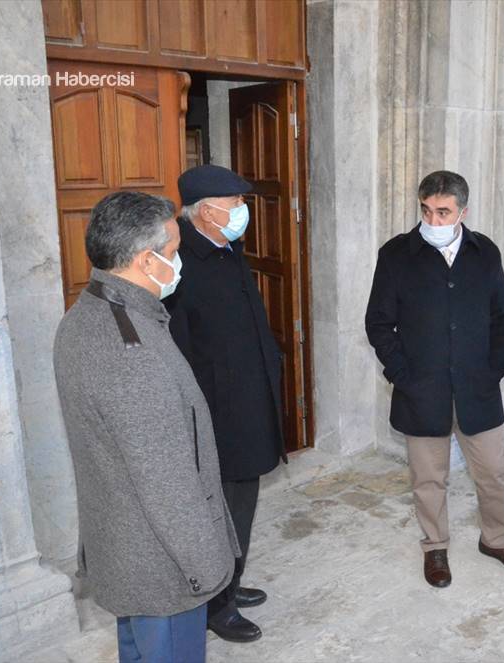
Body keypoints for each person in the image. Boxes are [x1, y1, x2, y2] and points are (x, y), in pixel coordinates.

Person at [54, 191, 239, 663]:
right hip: (162, 566)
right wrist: (203, 569)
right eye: (174, 251)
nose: (179, 262)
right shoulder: (131, 353)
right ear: (145, 260)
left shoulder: (85, 315)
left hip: (124, 550)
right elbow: (165, 483)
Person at [365, 170, 504, 588]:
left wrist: (498, 366)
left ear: (463, 212)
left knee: (493, 473)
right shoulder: (396, 255)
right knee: (428, 479)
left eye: (443, 212)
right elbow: (379, 323)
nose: (433, 221)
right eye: (426, 210)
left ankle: (496, 539)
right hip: (421, 390)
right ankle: (435, 546)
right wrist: (402, 375)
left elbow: (502, 314)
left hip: (478, 387)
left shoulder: (485, 252)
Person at [164, 164, 288, 643]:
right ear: (206, 212)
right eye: (234, 204)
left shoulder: (227, 248)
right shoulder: (180, 264)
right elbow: (179, 348)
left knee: (243, 502)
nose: (242, 211)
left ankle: (230, 585)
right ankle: (216, 606)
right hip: (217, 411)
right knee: (219, 510)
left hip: (249, 398)